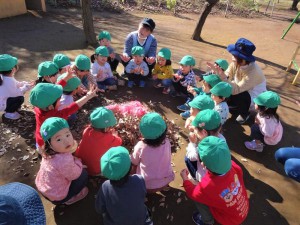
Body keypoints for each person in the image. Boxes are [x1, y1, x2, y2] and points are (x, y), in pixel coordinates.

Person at [181, 136, 249, 225]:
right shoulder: (234, 166)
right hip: (242, 209)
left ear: (203, 165)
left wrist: (185, 180)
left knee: (200, 201)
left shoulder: (208, 185)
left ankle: (207, 221)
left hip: (227, 220)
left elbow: (193, 193)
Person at [29, 80, 97, 153]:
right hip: (46, 144)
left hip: (40, 138)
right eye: (59, 99)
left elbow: (53, 90)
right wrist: (88, 96)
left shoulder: (39, 106)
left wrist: (67, 76)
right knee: (70, 146)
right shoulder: (55, 116)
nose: (61, 101)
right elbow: (72, 107)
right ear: (51, 107)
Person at [35, 117, 89, 205]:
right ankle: (68, 199)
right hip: (57, 196)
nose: (66, 141)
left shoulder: (46, 152)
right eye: (59, 139)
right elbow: (74, 175)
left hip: (44, 187)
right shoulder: (64, 160)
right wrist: (78, 163)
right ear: (49, 144)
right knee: (84, 174)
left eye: (67, 135)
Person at [96, 146, 153, 225]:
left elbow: (100, 208)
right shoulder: (139, 179)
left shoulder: (105, 187)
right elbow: (143, 194)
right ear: (130, 168)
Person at [216, 38, 267, 124]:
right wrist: (220, 74)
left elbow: (236, 90)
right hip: (240, 89)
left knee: (238, 96)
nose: (232, 58)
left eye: (235, 56)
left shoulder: (253, 72)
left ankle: (245, 113)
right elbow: (228, 74)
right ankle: (231, 107)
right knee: (225, 88)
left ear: (244, 59)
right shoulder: (237, 63)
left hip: (252, 96)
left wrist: (224, 78)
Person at [130, 112, 175, 193]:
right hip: (166, 180)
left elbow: (134, 161)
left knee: (133, 167)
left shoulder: (141, 146)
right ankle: (164, 187)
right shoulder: (167, 142)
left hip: (146, 186)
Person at [75, 107, 122, 176]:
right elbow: (119, 141)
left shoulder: (87, 130)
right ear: (106, 128)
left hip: (79, 162)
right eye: (110, 126)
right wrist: (115, 135)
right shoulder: (109, 138)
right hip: (94, 170)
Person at [186, 109, 225, 181]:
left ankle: (193, 178)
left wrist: (192, 144)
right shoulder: (221, 138)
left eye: (195, 129)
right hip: (217, 174)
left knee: (187, 159)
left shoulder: (204, 147)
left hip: (204, 176)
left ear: (204, 132)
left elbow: (192, 157)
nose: (194, 131)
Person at [0, 54, 33, 120]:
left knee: (17, 97)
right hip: (2, 105)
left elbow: (16, 84)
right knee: (20, 98)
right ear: (13, 69)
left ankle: (12, 108)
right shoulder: (8, 81)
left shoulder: (3, 77)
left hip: (2, 100)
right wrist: (26, 87)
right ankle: (9, 113)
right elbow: (16, 93)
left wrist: (24, 83)